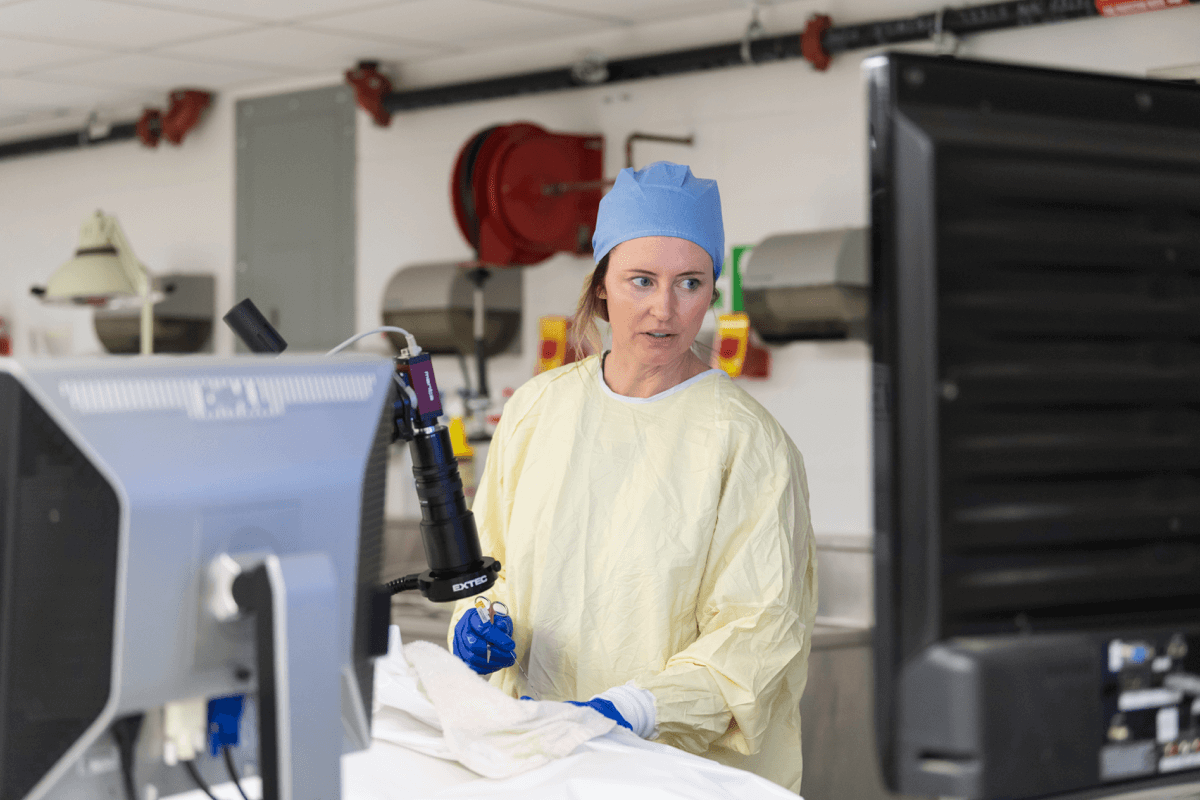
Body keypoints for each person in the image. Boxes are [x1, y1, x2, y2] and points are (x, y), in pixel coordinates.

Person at [449, 161, 816, 792]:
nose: (663, 309)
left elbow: (758, 633)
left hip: (677, 774)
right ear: (600, 289)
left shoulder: (747, 444)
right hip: (541, 758)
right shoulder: (538, 410)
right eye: (640, 280)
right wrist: (479, 621)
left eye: (690, 283)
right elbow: (488, 563)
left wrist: (639, 709)